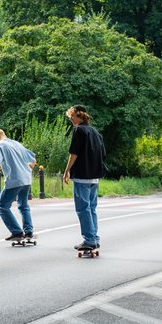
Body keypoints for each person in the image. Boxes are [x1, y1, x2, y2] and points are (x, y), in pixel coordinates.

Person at [0, 128, 36, 241]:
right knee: (23, 206)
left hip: (15, 180)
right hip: (26, 179)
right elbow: (33, 159)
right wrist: (28, 168)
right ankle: (28, 232)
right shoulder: (16, 143)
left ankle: (17, 232)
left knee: (2, 206)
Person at [63, 104, 106, 251]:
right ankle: (94, 238)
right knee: (91, 209)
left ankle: (89, 240)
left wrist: (67, 170)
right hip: (95, 176)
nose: (71, 120)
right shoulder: (95, 132)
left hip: (82, 175)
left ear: (78, 116)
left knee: (83, 209)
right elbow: (103, 153)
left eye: (72, 117)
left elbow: (73, 153)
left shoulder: (79, 131)